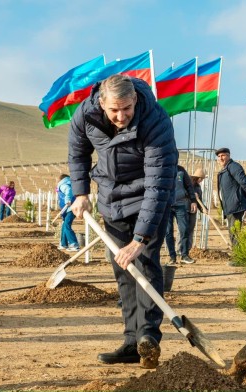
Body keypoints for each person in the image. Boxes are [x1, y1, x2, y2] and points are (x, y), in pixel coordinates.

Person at [68, 74, 177, 369]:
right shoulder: (85, 114)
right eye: (114, 110)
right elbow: (78, 152)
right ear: (101, 103)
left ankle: (148, 338)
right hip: (110, 199)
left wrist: (140, 239)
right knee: (123, 268)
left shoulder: (155, 121)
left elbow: (158, 184)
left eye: (126, 109)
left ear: (135, 100)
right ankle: (131, 342)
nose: (120, 116)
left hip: (149, 198)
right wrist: (80, 192)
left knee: (145, 262)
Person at [215, 147, 246, 247]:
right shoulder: (225, 170)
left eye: (223, 155)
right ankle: (237, 255)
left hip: (236, 206)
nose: (220, 158)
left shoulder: (233, 167)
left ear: (228, 156)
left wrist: (243, 198)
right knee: (233, 232)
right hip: (230, 206)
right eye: (219, 156)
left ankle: (238, 256)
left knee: (235, 232)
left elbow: (245, 183)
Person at [165, 164, 197, 264]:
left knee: (184, 229)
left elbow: (189, 186)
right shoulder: (163, 168)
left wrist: (193, 200)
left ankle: (184, 255)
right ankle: (172, 257)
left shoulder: (181, 170)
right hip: (166, 205)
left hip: (180, 205)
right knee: (168, 232)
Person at [56, 174, 79, 251]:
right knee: (64, 225)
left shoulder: (63, 185)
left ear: (61, 180)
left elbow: (68, 191)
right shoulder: (69, 184)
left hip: (70, 208)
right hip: (67, 209)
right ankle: (63, 244)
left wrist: (67, 201)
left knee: (66, 225)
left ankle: (74, 244)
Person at [187, 168, 206, 251]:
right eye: (201, 179)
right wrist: (192, 196)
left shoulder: (198, 187)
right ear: (198, 178)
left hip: (193, 212)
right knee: (183, 230)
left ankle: (188, 248)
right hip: (185, 210)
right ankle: (181, 249)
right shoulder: (187, 184)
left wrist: (203, 208)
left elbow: (199, 201)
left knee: (191, 229)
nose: (201, 181)